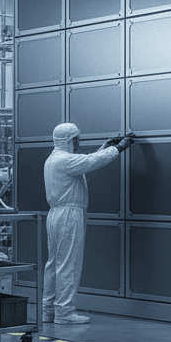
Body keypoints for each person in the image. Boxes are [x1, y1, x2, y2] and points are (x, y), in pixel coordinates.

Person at [41, 123, 132, 325]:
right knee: (68, 264)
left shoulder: (54, 159)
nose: (78, 142)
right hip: (69, 216)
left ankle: (48, 310)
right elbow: (90, 162)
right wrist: (117, 149)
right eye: (76, 139)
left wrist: (105, 147)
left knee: (54, 264)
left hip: (55, 214)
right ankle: (64, 312)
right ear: (68, 140)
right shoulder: (64, 160)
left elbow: (84, 162)